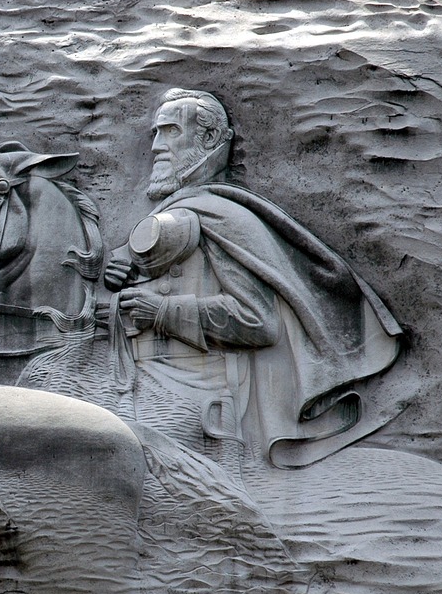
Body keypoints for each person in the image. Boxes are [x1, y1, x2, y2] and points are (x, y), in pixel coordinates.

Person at [103, 88, 402, 471]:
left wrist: (162, 311)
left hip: (195, 400)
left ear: (209, 139)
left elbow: (258, 322)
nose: (157, 146)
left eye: (170, 131)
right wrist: (120, 278)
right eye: (155, 134)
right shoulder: (178, 213)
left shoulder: (225, 217)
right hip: (142, 384)